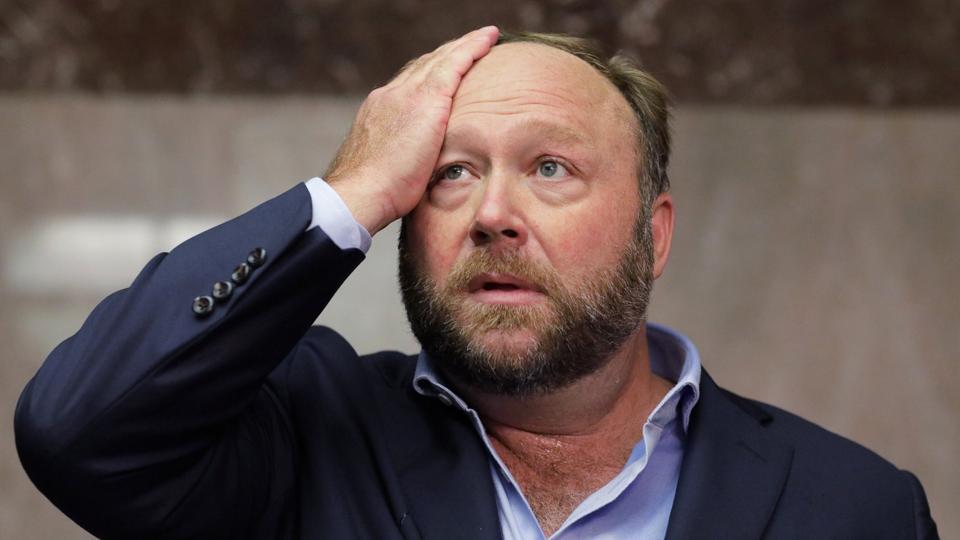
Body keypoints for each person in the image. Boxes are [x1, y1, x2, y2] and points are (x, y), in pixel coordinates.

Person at [15, 26, 938, 539]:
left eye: (549, 169)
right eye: (449, 173)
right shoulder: (303, 433)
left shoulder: (855, 507)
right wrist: (350, 191)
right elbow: (79, 431)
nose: (493, 213)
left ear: (654, 234)